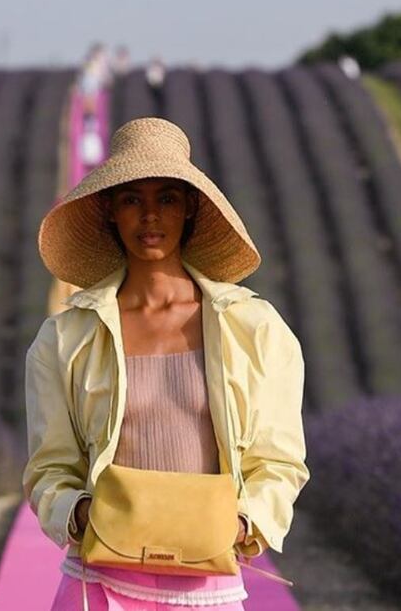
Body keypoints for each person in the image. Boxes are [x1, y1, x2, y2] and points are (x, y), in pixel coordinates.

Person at [25, 117, 310, 609]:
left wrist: (242, 524)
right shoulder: (65, 338)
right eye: (131, 199)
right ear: (110, 210)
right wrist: (83, 514)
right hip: (99, 585)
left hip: (208, 589)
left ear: (190, 208)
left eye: (167, 198)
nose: (150, 216)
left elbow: (279, 460)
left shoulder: (255, 329)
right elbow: (49, 467)